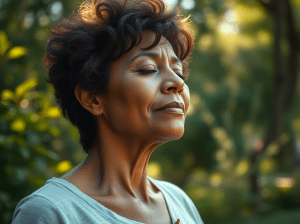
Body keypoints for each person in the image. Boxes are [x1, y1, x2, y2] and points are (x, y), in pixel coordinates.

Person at [11, 0, 204, 223]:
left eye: (179, 72)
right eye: (147, 69)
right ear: (92, 98)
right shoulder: (51, 212)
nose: (177, 83)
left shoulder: (180, 202)